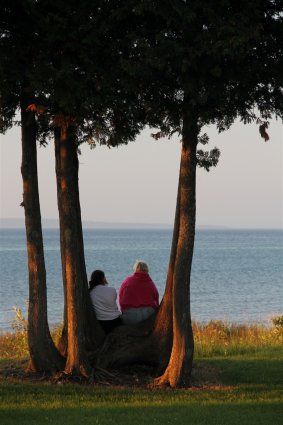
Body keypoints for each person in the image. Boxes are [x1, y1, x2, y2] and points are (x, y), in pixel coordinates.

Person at [119, 261, 159, 325]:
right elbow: (156, 298)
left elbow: (121, 298)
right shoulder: (150, 283)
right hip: (148, 315)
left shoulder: (127, 281)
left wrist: (123, 311)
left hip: (130, 316)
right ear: (147, 270)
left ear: (135, 269)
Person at [89, 270, 122, 334]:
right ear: (103, 278)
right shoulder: (112, 290)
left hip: (101, 323)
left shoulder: (90, 293)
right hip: (116, 321)